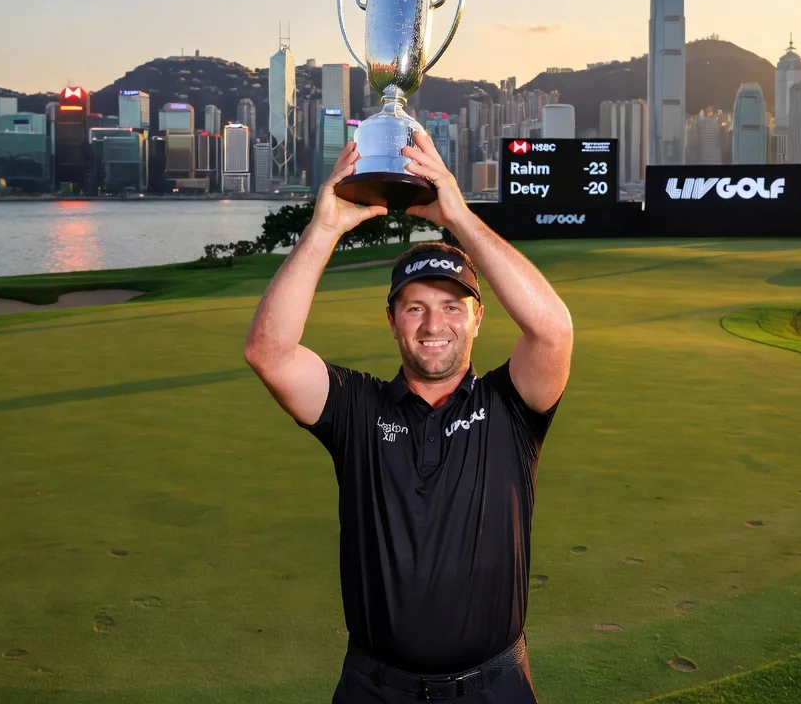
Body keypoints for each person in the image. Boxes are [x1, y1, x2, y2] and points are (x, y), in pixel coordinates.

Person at [244, 132, 573, 702]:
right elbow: (268, 353)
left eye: (452, 307)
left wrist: (459, 217)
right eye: (415, 308)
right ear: (392, 320)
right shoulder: (357, 407)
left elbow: (553, 331)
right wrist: (323, 230)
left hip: (494, 688)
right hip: (375, 689)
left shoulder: (510, 406)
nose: (433, 325)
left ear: (478, 319)